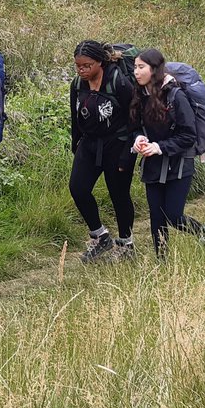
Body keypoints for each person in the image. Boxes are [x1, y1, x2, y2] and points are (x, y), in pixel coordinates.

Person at [131, 49, 203, 258]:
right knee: (156, 216)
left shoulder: (175, 95)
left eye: (141, 67)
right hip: (153, 163)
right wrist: (138, 140)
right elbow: (134, 127)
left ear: (154, 70)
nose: (136, 72)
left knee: (173, 216)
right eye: (135, 67)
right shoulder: (140, 94)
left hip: (179, 162)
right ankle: (162, 262)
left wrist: (160, 147)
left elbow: (189, 135)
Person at [69, 41, 137, 261]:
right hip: (89, 144)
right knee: (78, 188)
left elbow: (134, 118)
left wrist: (128, 153)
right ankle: (101, 236)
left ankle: (126, 244)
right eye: (78, 65)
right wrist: (76, 143)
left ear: (100, 62)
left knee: (119, 195)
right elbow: (75, 115)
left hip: (117, 144)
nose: (82, 70)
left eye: (87, 65)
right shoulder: (78, 84)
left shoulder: (119, 82)